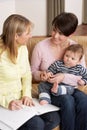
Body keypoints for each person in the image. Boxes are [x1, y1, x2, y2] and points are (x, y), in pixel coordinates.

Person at [0, 14, 60, 130]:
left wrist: (26, 95)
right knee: (37, 125)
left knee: (54, 118)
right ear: (16, 36)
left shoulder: (22, 47)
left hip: (19, 99)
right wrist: (7, 102)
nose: (31, 36)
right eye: (27, 33)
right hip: (4, 102)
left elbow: (27, 74)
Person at [31, 12, 87, 130]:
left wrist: (63, 77)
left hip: (71, 88)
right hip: (51, 88)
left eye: (61, 33)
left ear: (71, 34)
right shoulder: (40, 47)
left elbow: (82, 75)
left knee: (84, 101)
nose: (55, 36)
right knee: (68, 101)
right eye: (54, 30)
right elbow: (32, 72)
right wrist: (41, 74)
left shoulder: (76, 48)